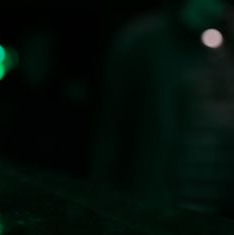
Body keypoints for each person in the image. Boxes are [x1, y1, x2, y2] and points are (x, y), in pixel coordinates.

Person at [93, 0, 234, 217]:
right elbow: (112, 131)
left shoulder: (224, 45)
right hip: (155, 209)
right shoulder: (144, 41)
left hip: (216, 214)